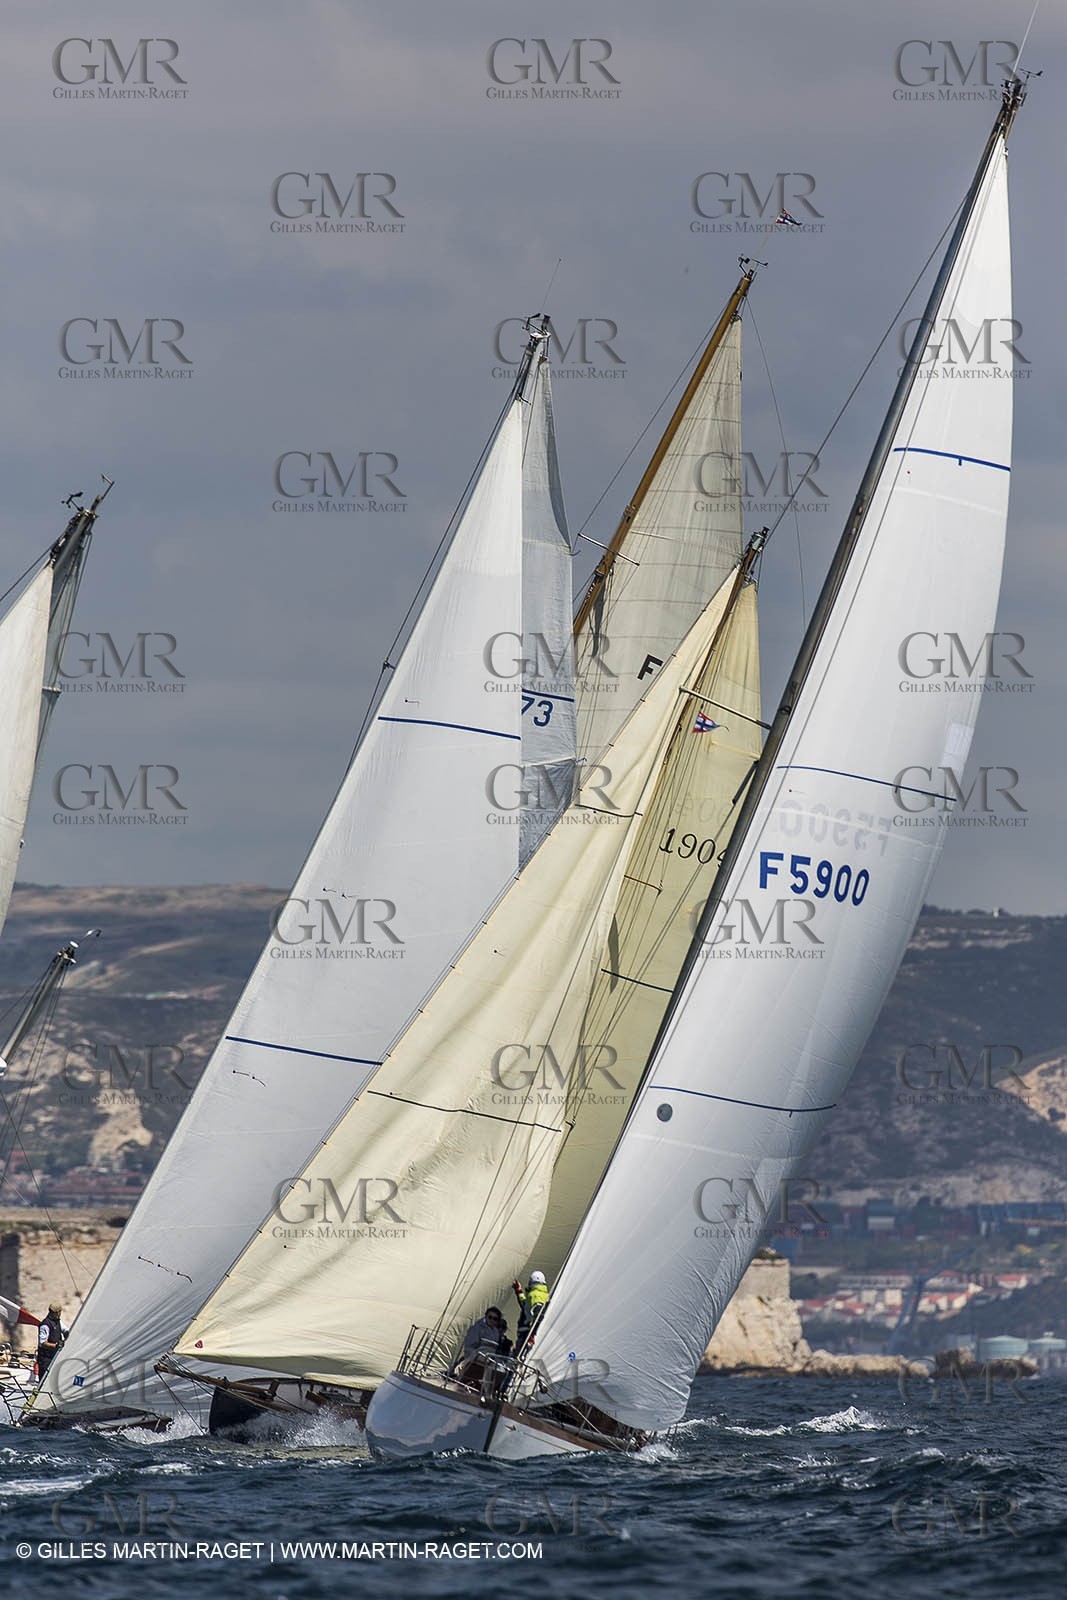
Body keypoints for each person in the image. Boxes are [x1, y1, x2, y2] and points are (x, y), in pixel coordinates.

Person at [450, 1306, 509, 1384]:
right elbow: (469, 1346)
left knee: (502, 1368)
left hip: (489, 1358)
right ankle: (458, 1374)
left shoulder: (495, 1332)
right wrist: (475, 1356)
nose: (491, 1320)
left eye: (495, 1319)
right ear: (486, 1316)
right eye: (490, 1317)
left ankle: (490, 1388)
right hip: (476, 1356)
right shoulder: (477, 1328)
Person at [512, 1270, 550, 1349]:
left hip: (527, 1334)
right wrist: (518, 1290)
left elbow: (538, 1316)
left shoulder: (535, 1295)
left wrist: (531, 1336)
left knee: (519, 1354)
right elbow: (525, 1305)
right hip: (531, 1333)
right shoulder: (543, 1295)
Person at [37, 1303, 67, 1379]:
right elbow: (42, 1343)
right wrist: (56, 1345)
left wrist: (68, 1335)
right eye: (56, 1312)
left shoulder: (58, 1322)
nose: (58, 1314)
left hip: (55, 1356)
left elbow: (66, 1330)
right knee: (45, 1378)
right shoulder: (45, 1325)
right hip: (45, 1358)